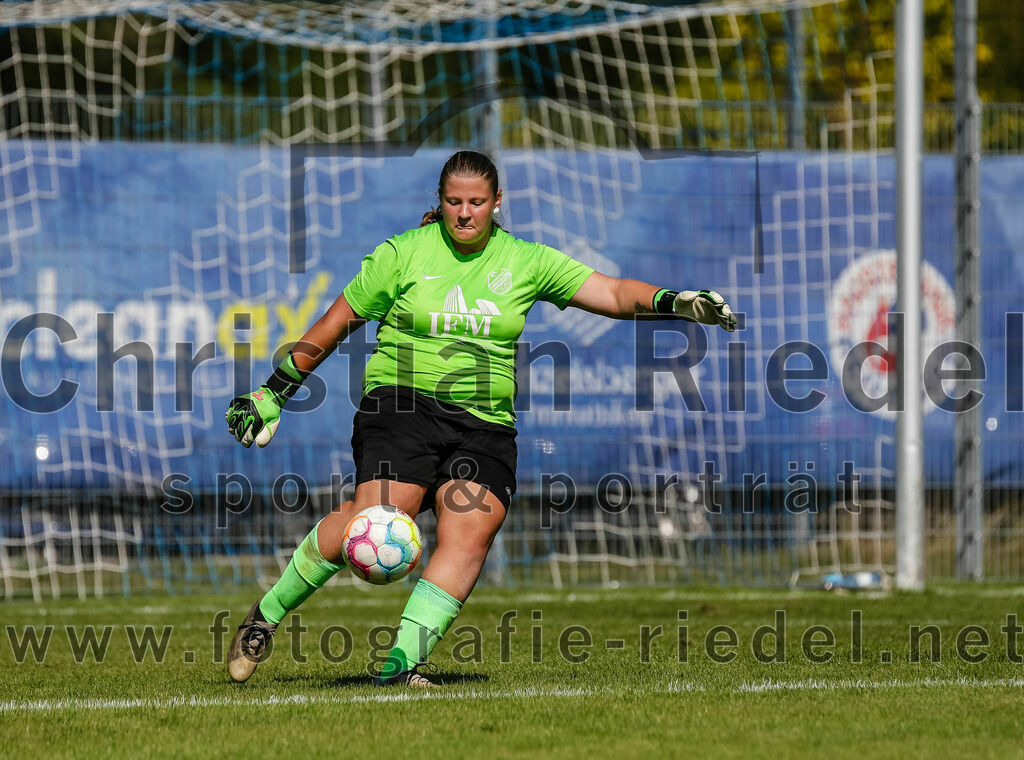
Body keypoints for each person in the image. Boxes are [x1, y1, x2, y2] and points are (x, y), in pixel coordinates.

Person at [224, 150, 736, 687]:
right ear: (439, 203)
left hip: (485, 423)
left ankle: (400, 668)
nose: (464, 213)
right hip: (402, 405)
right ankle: (266, 615)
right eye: (453, 202)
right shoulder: (403, 253)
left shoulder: (525, 260)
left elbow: (608, 291)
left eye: (476, 202)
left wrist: (673, 302)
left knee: (471, 531)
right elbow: (336, 322)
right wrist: (276, 390)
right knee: (373, 520)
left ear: (496, 203)